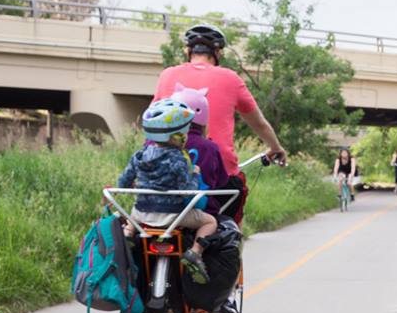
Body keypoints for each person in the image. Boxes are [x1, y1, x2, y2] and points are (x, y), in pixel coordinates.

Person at [152, 24, 287, 225]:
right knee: (230, 231)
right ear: (218, 52)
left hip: (163, 171)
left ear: (188, 50)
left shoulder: (167, 75)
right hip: (216, 174)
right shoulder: (230, 78)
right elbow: (259, 124)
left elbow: (152, 118)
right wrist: (276, 148)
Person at [118, 99, 215, 284]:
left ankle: (127, 236)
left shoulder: (139, 155)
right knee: (210, 222)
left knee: (132, 213)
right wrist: (194, 174)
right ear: (174, 137)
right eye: (182, 134)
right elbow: (188, 191)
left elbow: (123, 181)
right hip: (172, 217)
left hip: (142, 214)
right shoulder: (177, 159)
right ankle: (195, 253)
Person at [169, 83, 230, 215]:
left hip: (161, 207)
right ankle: (201, 237)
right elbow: (221, 181)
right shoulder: (210, 148)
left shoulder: (154, 144)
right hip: (202, 208)